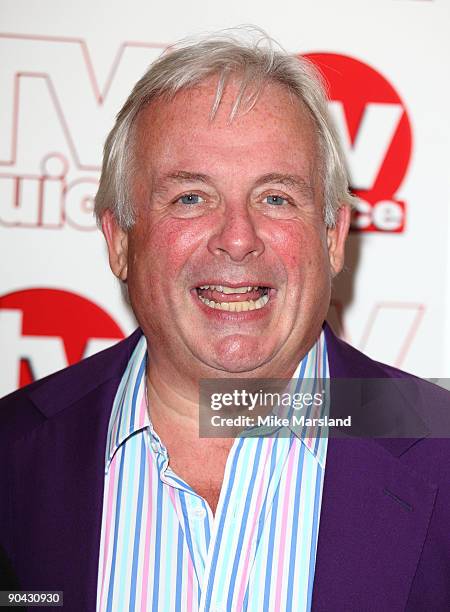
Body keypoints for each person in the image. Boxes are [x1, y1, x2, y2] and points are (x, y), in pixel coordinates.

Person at [1, 29, 449, 612]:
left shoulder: (438, 440)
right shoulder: (14, 449)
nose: (237, 240)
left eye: (276, 198)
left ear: (334, 237)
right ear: (119, 241)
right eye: (190, 197)